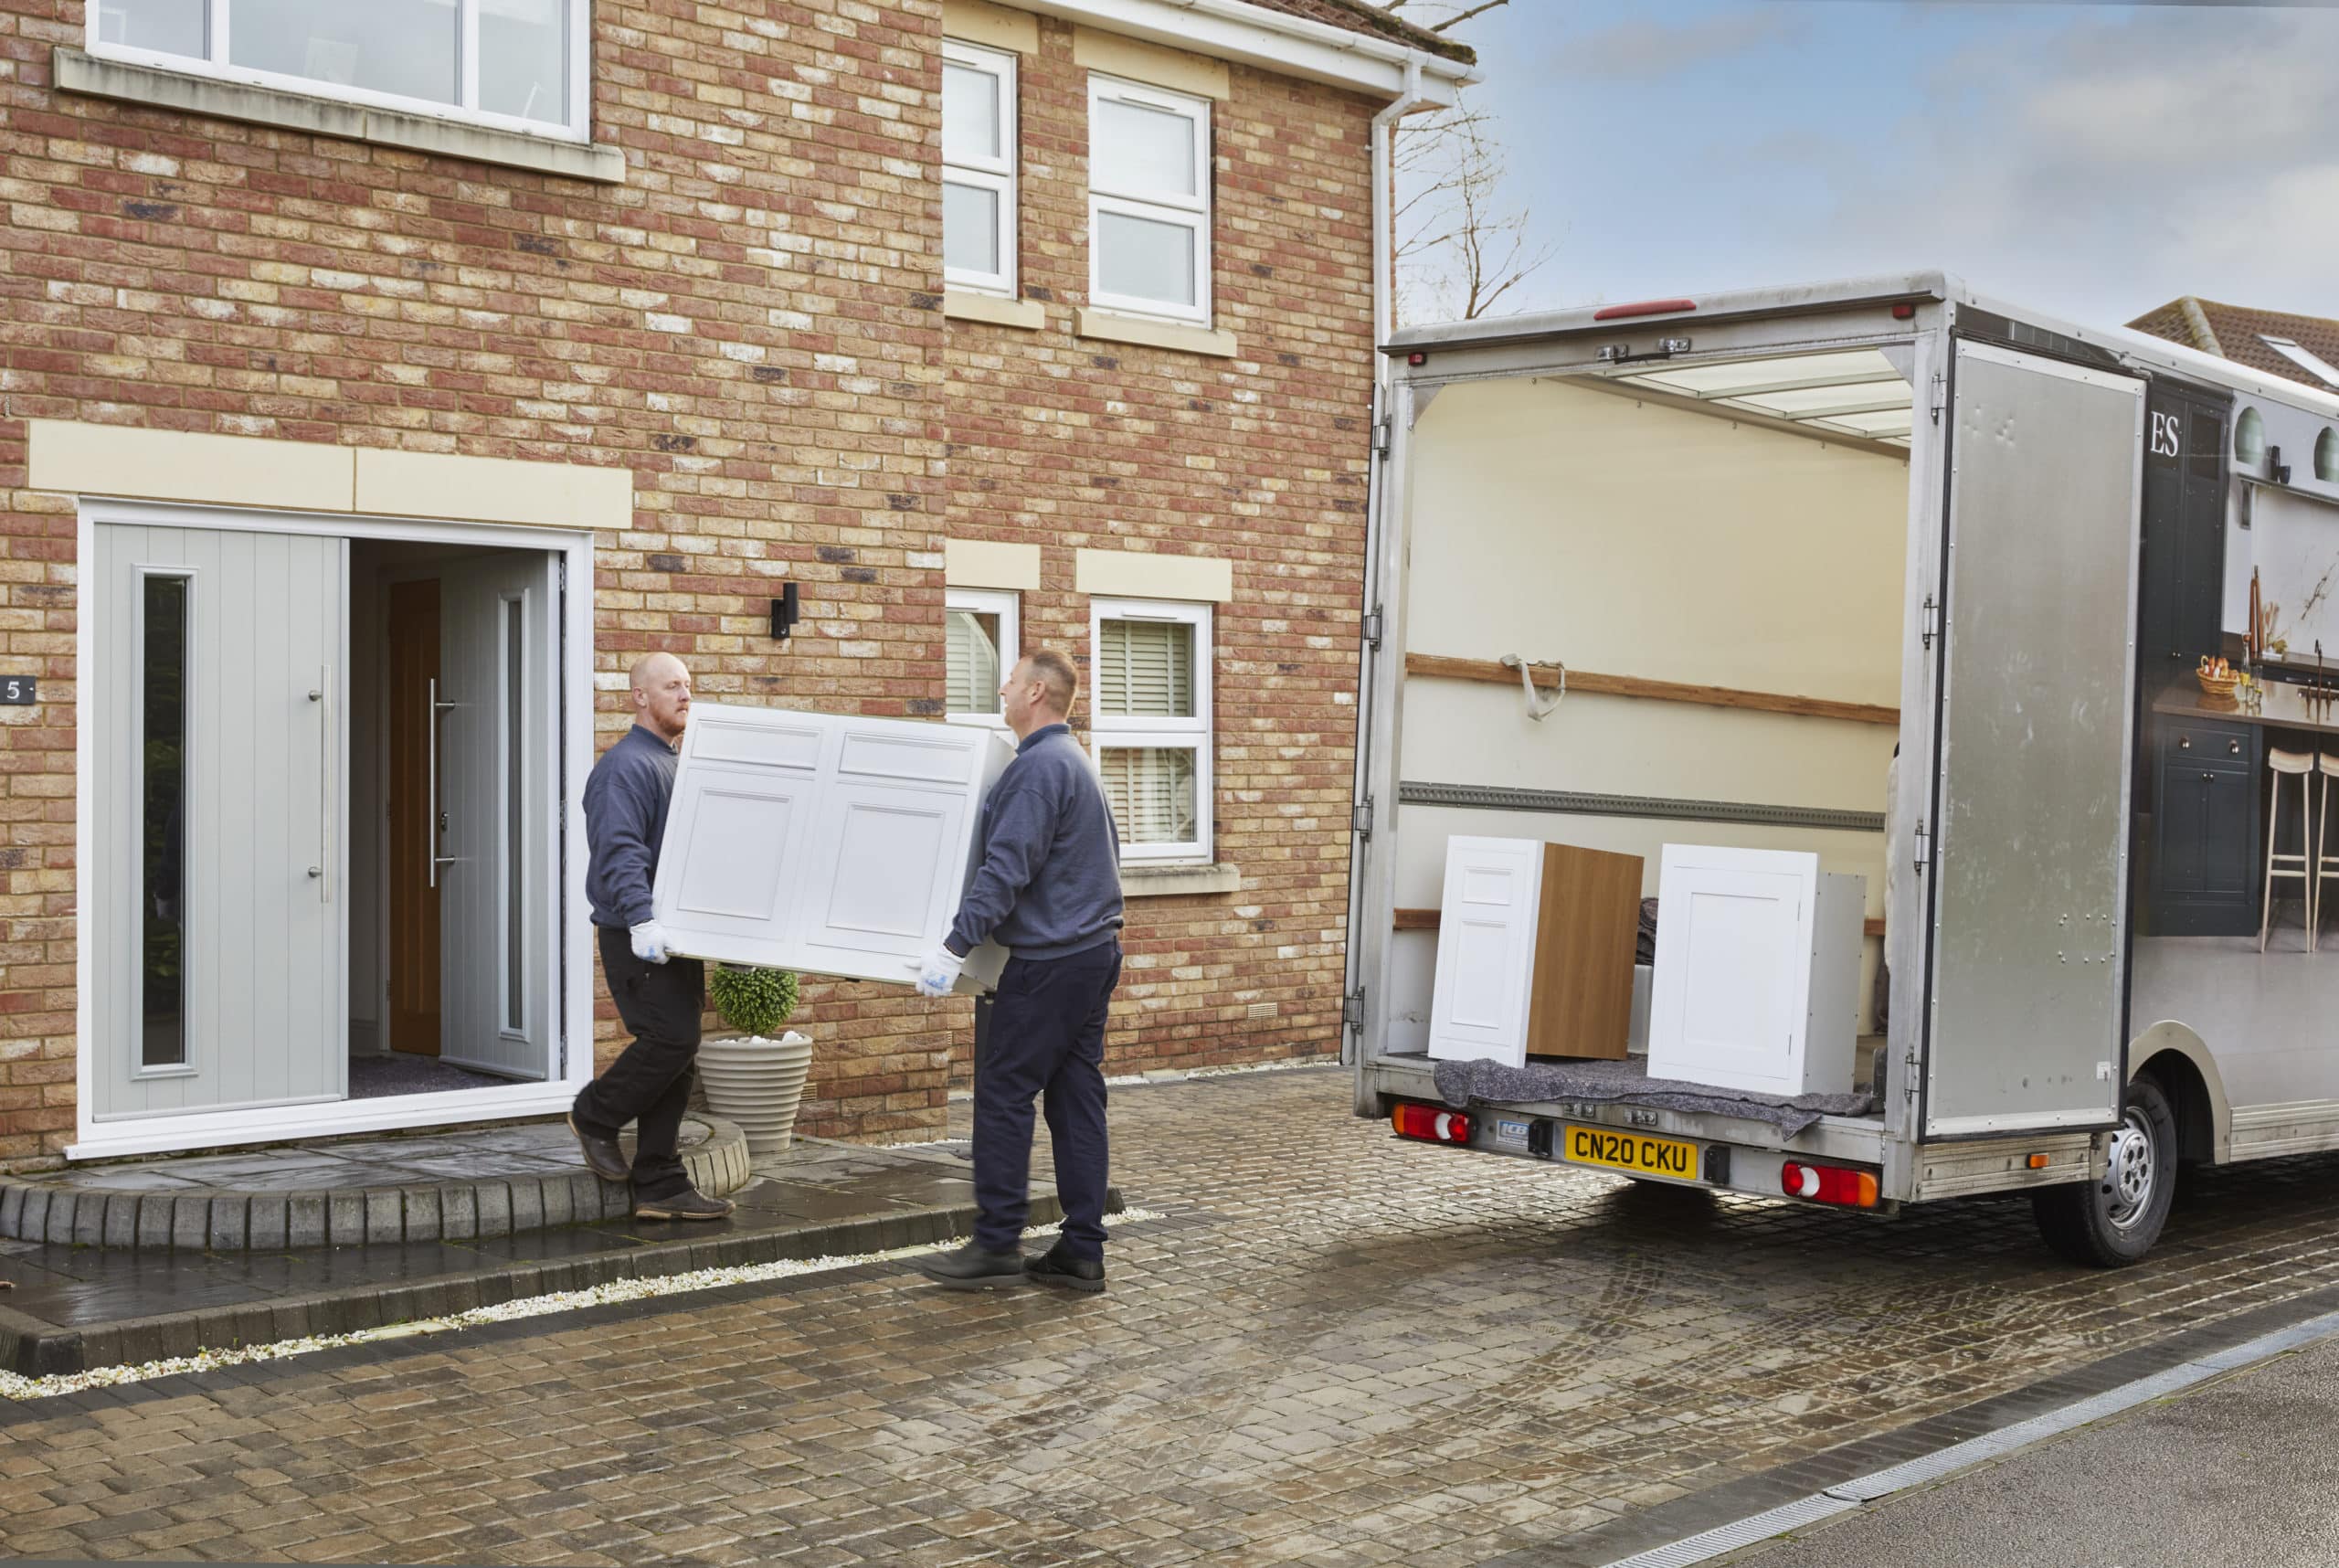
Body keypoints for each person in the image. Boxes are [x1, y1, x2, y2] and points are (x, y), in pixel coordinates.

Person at [914, 649, 1124, 1293]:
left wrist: (953, 948)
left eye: (1009, 682)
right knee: (1074, 1096)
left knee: (1004, 1094)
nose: (1001, 690)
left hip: (1052, 964)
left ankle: (998, 1242)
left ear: (1035, 692)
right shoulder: (1075, 761)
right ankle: (1081, 1250)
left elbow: (1006, 869)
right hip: (1092, 956)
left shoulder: (1038, 770)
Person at [567, 652, 735, 1221]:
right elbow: (619, 851)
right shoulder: (626, 767)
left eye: (689, 685)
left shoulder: (669, 761)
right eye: (672, 686)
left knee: (681, 1051)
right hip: (636, 935)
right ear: (639, 696)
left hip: (672, 936)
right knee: (668, 1041)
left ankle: (660, 1183)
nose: (686, 695)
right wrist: (640, 919)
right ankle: (594, 1115)